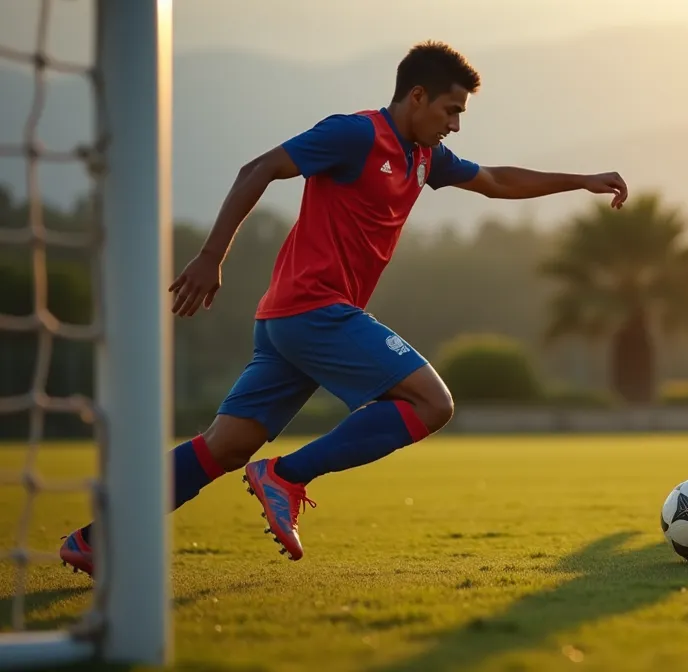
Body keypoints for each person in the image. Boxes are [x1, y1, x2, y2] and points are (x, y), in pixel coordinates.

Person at [58, 41, 628, 576]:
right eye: (451, 110)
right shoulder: (354, 134)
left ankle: (94, 540)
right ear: (418, 97)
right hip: (313, 311)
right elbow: (257, 169)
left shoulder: (425, 156)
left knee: (223, 446)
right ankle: (286, 474)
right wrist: (211, 256)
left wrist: (581, 182)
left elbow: (497, 180)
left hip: (288, 324)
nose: (454, 124)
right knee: (432, 402)